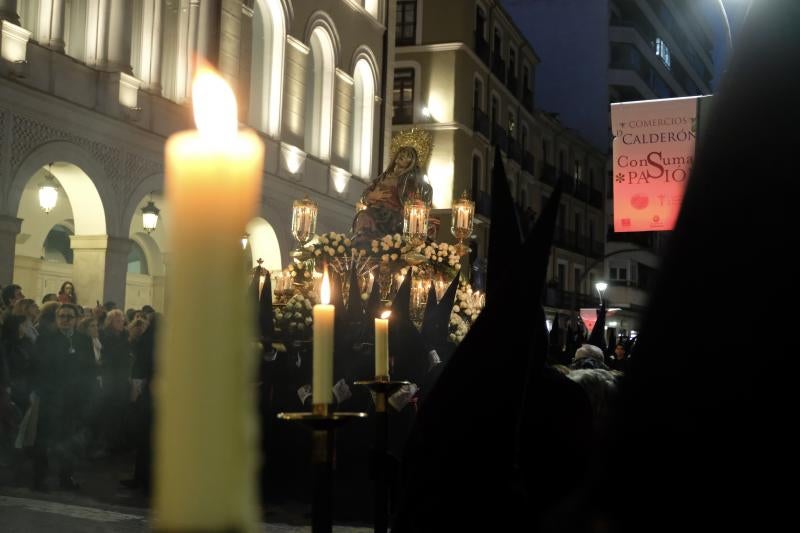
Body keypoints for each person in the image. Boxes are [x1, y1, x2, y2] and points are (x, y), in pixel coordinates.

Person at [29, 303, 96, 490]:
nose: (65, 320)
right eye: (62, 316)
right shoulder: (46, 339)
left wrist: (88, 394)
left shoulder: (83, 340)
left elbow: (90, 368)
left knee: (69, 440)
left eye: (69, 317)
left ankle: (66, 478)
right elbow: (36, 367)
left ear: (76, 320)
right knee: (44, 439)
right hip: (51, 398)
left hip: (74, 399)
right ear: (56, 319)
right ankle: (39, 478)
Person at [351, 145, 433, 248]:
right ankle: (363, 246)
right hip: (376, 211)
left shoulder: (410, 180)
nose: (402, 156)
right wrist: (371, 195)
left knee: (367, 216)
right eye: (401, 153)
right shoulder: (384, 176)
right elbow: (366, 194)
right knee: (363, 215)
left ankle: (370, 245)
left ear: (412, 162)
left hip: (393, 216)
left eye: (407, 155)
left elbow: (420, 194)